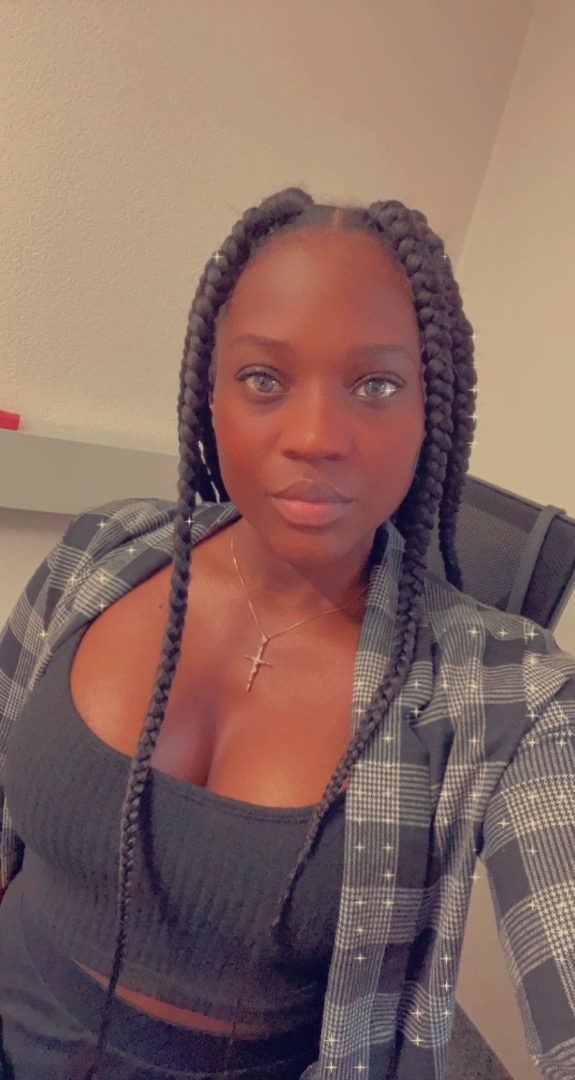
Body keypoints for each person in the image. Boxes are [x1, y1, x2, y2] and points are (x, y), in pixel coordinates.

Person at [0, 188, 574, 1080]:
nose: (314, 437)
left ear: (430, 413)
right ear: (210, 394)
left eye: (375, 385)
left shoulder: (502, 690)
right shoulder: (98, 554)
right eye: (264, 379)